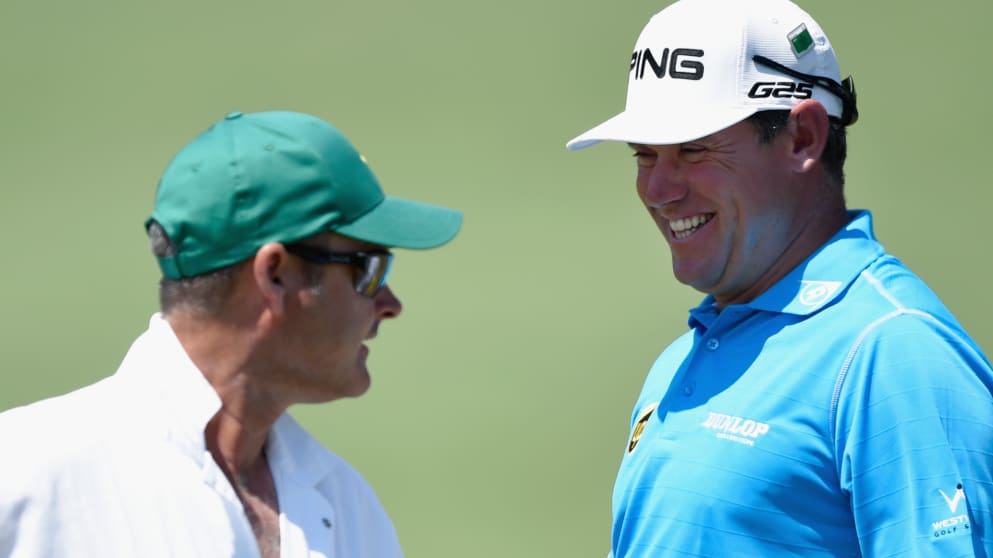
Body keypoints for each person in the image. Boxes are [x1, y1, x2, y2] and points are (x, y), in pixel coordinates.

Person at [566, 0, 993, 556]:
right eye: (644, 156)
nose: (658, 190)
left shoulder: (894, 352)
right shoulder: (677, 363)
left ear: (803, 139)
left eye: (694, 149)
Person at [0, 110, 462, 557]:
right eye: (369, 269)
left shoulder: (349, 506)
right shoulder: (26, 478)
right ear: (275, 274)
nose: (390, 304)